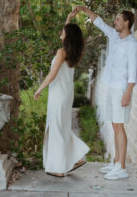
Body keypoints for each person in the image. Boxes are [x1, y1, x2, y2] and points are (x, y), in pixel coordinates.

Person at [72, 6, 137, 180]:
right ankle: (115, 162)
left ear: (127, 22)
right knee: (114, 125)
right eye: (115, 19)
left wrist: (128, 93)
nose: (115, 22)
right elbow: (98, 21)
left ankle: (121, 167)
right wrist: (82, 9)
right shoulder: (114, 36)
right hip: (111, 86)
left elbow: (134, 72)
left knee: (119, 126)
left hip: (121, 89)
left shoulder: (133, 45)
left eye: (118, 19)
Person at [34, 12, 90, 177]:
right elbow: (67, 33)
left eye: (63, 31)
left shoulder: (61, 52)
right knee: (62, 126)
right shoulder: (72, 52)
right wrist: (69, 19)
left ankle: (58, 168)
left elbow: (52, 75)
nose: (61, 33)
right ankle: (75, 159)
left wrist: (39, 89)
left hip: (58, 94)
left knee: (57, 128)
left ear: (67, 36)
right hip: (66, 94)